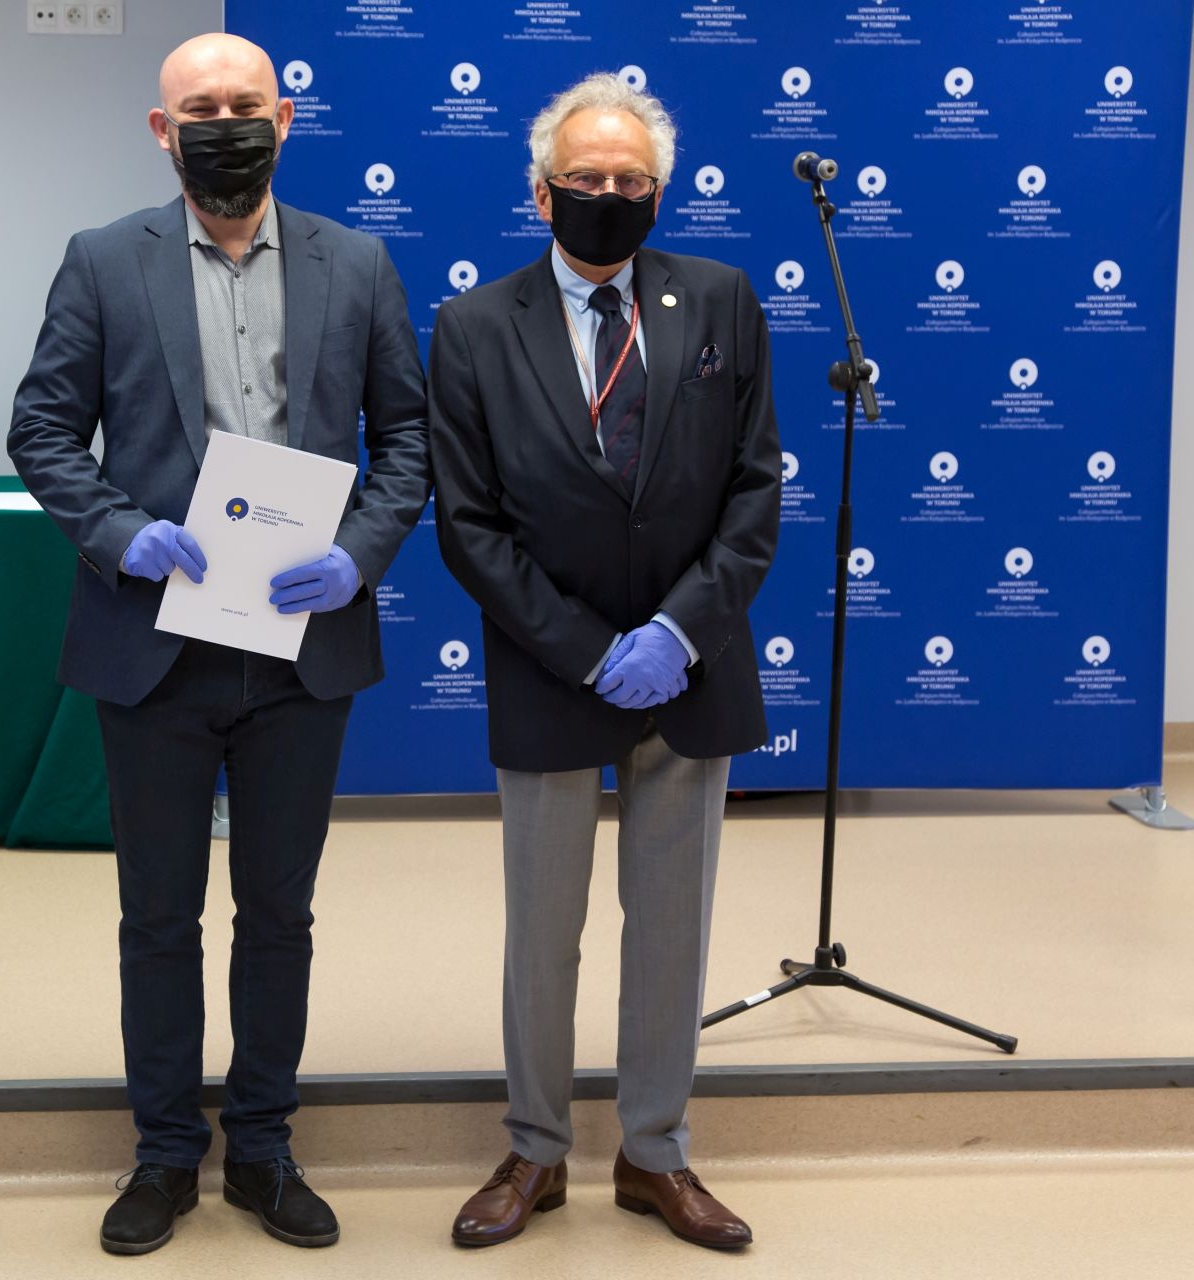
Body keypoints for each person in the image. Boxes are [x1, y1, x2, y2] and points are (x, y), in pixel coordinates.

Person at [9, 32, 430, 1258]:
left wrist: (359, 552)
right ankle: (161, 1152)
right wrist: (119, 533)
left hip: (304, 645)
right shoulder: (103, 260)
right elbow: (43, 429)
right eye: (202, 107)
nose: (227, 122)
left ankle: (262, 1145)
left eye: (247, 103)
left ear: (284, 117)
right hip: (155, 645)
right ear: (163, 128)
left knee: (279, 912)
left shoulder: (357, 262)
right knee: (157, 915)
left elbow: (407, 438)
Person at [430, 73, 780, 1252]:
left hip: (692, 668)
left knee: (671, 929)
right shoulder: (476, 326)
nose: (611, 195)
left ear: (661, 192)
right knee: (544, 930)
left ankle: (654, 1152)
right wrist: (590, 650)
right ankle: (535, 1148)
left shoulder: (722, 299)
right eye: (587, 178)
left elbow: (755, 489)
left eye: (633, 180)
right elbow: (469, 523)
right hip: (550, 666)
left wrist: (675, 634)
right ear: (542, 193)